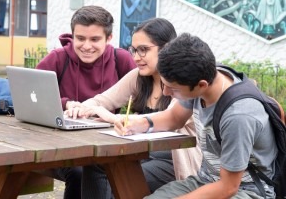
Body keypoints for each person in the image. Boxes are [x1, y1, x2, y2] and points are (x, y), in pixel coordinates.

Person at [115, 32, 278, 199]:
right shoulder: (202, 73)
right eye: (164, 84)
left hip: (247, 191)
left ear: (202, 85)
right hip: (205, 180)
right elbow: (174, 118)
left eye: (173, 88)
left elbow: (228, 188)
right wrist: (139, 124)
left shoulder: (238, 116)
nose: (165, 92)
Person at [66, 18, 202, 199]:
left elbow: (168, 119)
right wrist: (80, 108)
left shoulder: (182, 80)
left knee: (116, 183)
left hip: (171, 161)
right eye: (134, 50)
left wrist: (111, 117)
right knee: (92, 166)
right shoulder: (138, 77)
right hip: (137, 153)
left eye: (144, 50)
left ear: (167, 48)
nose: (136, 57)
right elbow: (101, 100)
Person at [36, 5, 136, 199]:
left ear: (109, 38)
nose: (86, 46)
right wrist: (65, 103)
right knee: (79, 172)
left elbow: (141, 100)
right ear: (72, 36)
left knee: (115, 173)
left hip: (107, 146)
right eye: (80, 38)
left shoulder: (120, 59)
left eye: (95, 39)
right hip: (59, 147)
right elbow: (29, 92)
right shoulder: (58, 58)